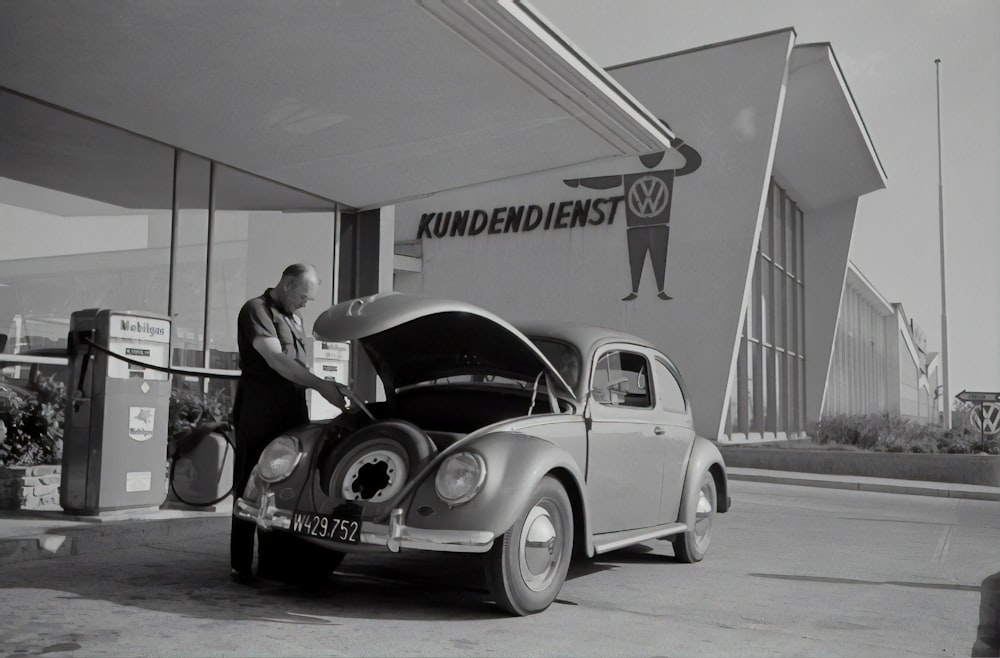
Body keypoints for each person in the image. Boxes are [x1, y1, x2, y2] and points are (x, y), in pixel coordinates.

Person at [230, 263, 351, 580]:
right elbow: (276, 359)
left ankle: (274, 563)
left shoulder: (295, 318)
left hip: (292, 411)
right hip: (259, 411)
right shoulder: (256, 310)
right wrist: (321, 386)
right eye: (303, 296)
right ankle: (241, 565)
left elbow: (298, 365)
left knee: (287, 482)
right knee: (251, 483)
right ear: (286, 284)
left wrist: (330, 384)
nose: (306, 304)